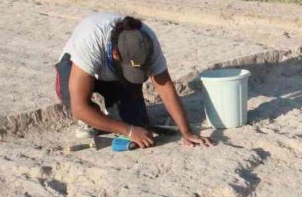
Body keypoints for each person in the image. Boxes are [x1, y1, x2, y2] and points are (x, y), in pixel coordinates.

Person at [54, 13, 210, 148]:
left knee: (137, 123)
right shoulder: (92, 41)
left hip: (115, 72)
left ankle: (109, 116)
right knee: (79, 105)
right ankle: (92, 118)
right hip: (76, 65)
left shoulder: (147, 42)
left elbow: (165, 86)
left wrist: (186, 131)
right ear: (115, 53)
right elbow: (78, 108)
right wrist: (128, 130)